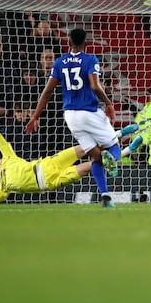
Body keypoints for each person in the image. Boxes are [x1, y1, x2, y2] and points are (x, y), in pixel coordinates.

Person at [25, 28, 136, 208]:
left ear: (69, 42)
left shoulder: (59, 62)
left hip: (70, 117)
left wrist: (35, 116)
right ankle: (111, 157)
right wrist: (108, 104)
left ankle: (105, 195)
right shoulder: (90, 59)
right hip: (89, 111)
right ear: (86, 43)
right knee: (114, 146)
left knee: (95, 158)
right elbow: (94, 86)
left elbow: (47, 91)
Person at [0, 103, 141, 205]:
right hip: (49, 182)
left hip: (46, 164)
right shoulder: (3, 187)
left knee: (82, 147)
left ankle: (117, 134)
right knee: (86, 168)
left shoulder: (8, 158)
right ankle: (126, 150)